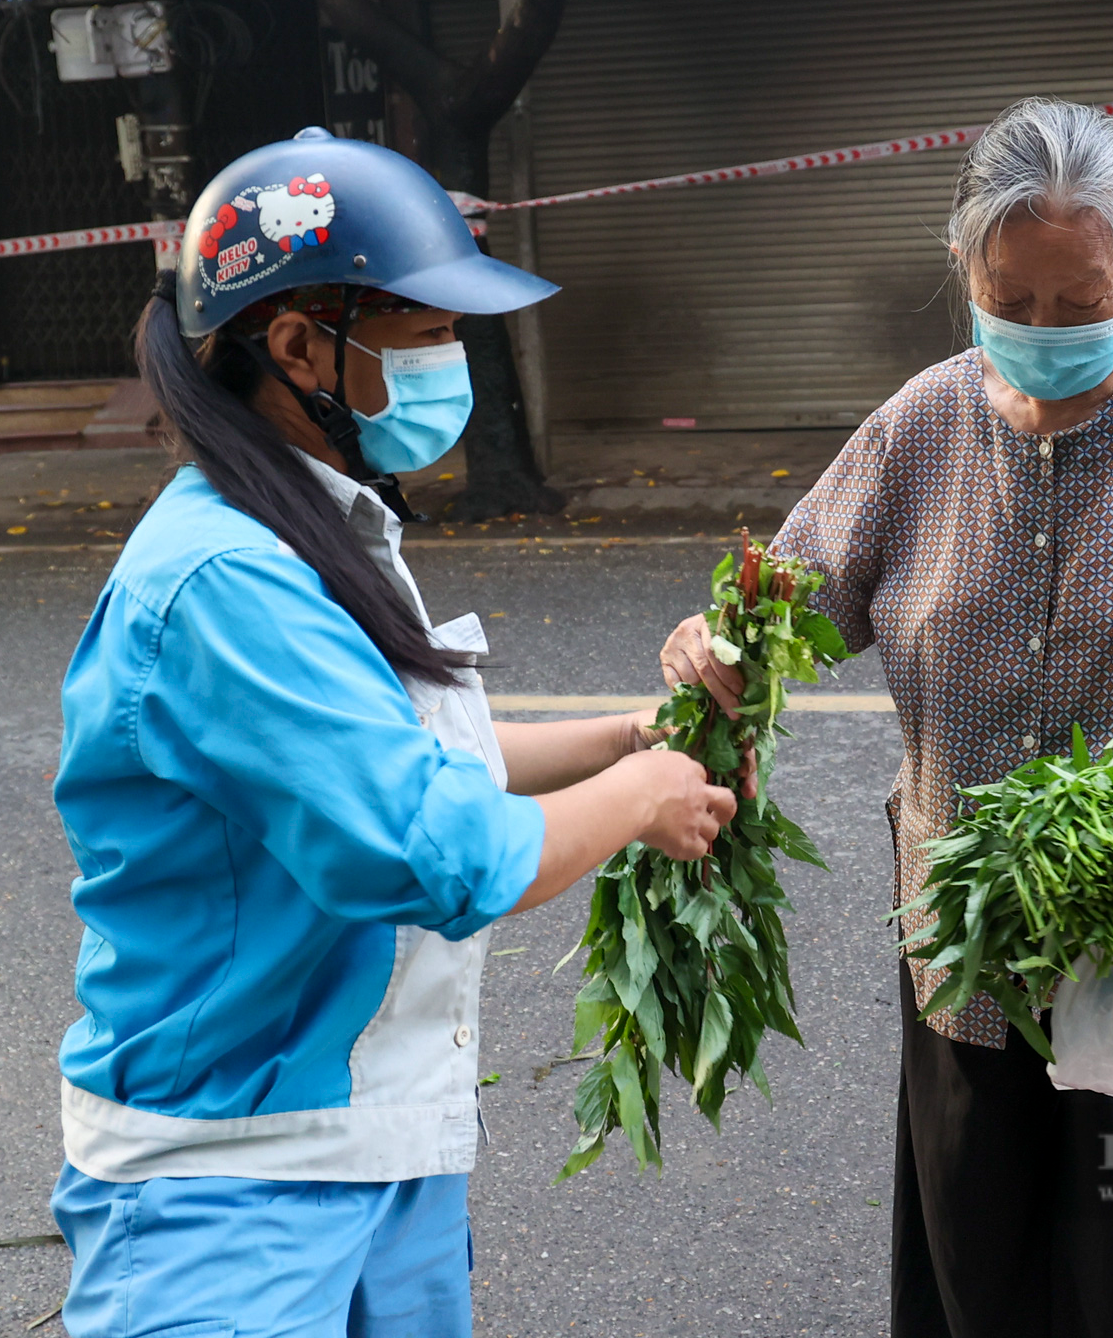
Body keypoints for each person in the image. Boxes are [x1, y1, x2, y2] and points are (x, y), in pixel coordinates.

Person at [49, 129, 737, 1337]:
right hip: (231, 1179)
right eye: (428, 336)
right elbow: (431, 853)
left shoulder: (316, 526)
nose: (454, 366)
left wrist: (626, 738)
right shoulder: (222, 582)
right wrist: (642, 803)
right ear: (301, 345)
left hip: (377, 1144)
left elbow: (411, 758)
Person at [661, 98, 1113, 1337]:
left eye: (1078, 304)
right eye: (1009, 300)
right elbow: (782, 622)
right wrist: (717, 646)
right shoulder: (914, 425)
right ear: (964, 266)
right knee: (981, 1263)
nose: (1041, 330)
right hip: (960, 943)